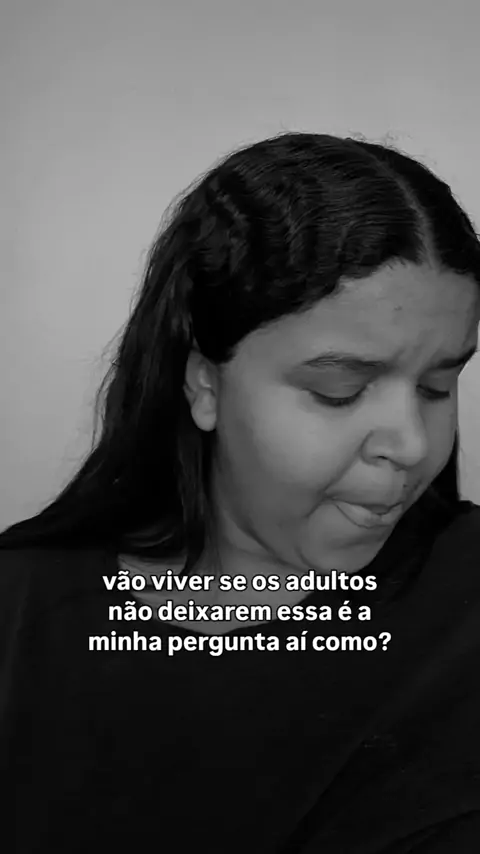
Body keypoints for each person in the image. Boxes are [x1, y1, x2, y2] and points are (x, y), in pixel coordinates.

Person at [1, 132, 480, 853]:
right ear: (205, 384)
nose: (412, 444)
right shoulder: (20, 614)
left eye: (439, 386)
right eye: (339, 391)